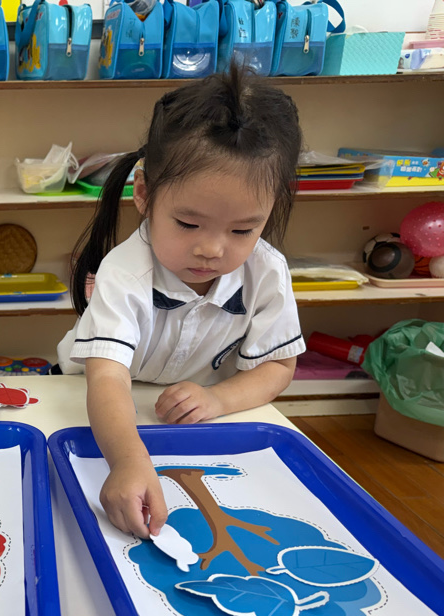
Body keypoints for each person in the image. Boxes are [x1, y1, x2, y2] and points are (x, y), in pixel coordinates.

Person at [59, 66, 306, 539]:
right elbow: (107, 378)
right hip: (94, 404)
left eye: (242, 229)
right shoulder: (125, 272)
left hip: (187, 420)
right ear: (144, 194)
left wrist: (218, 398)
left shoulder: (267, 272)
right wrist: (127, 462)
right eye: (188, 225)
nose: (211, 249)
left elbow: (278, 367)